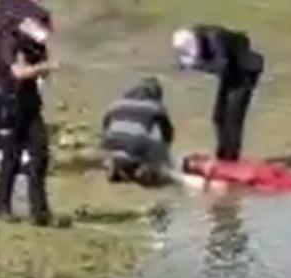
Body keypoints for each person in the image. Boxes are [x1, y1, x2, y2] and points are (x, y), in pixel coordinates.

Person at [0, 17, 58, 226]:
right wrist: (44, 67)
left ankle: (39, 212)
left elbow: (42, 74)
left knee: (40, 156)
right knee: (11, 159)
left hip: (30, 106)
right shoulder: (12, 41)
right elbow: (19, 72)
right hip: (11, 106)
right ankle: (2, 207)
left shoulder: (38, 45)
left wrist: (44, 65)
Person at [0, 0, 52, 169]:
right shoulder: (35, 14)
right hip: (19, 76)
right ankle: (26, 158)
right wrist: (43, 67)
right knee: (22, 120)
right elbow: (41, 40)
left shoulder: (0, 5)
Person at [172, 25, 264, 161]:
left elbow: (222, 66)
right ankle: (223, 155)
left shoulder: (216, 39)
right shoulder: (197, 36)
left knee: (233, 116)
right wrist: (189, 63)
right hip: (232, 72)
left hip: (245, 72)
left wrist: (197, 64)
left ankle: (231, 157)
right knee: (219, 116)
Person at [101, 77, 175, 186]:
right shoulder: (156, 107)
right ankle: (145, 169)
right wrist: (166, 157)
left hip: (111, 140)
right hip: (137, 140)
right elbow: (167, 134)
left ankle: (115, 163)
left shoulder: (115, 104)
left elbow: (105, 126)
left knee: (117, 147)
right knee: (155, 146)